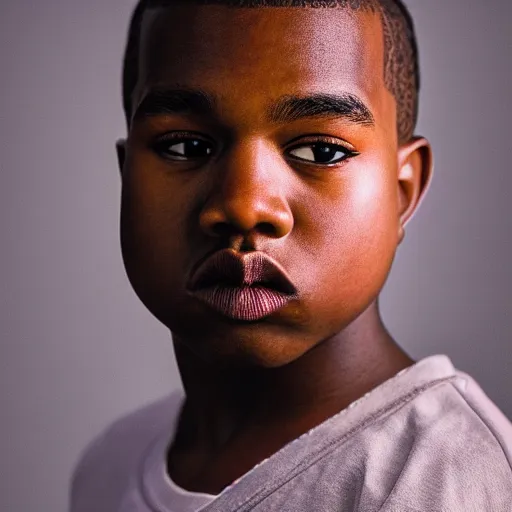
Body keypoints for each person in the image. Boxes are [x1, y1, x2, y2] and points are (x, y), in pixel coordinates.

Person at [70, 1, 512, 510]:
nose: (243, 206)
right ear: (127, 178)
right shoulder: (110, 462)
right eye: (186, 147)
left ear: (402, 191)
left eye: (320, 152)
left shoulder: (447, 484)